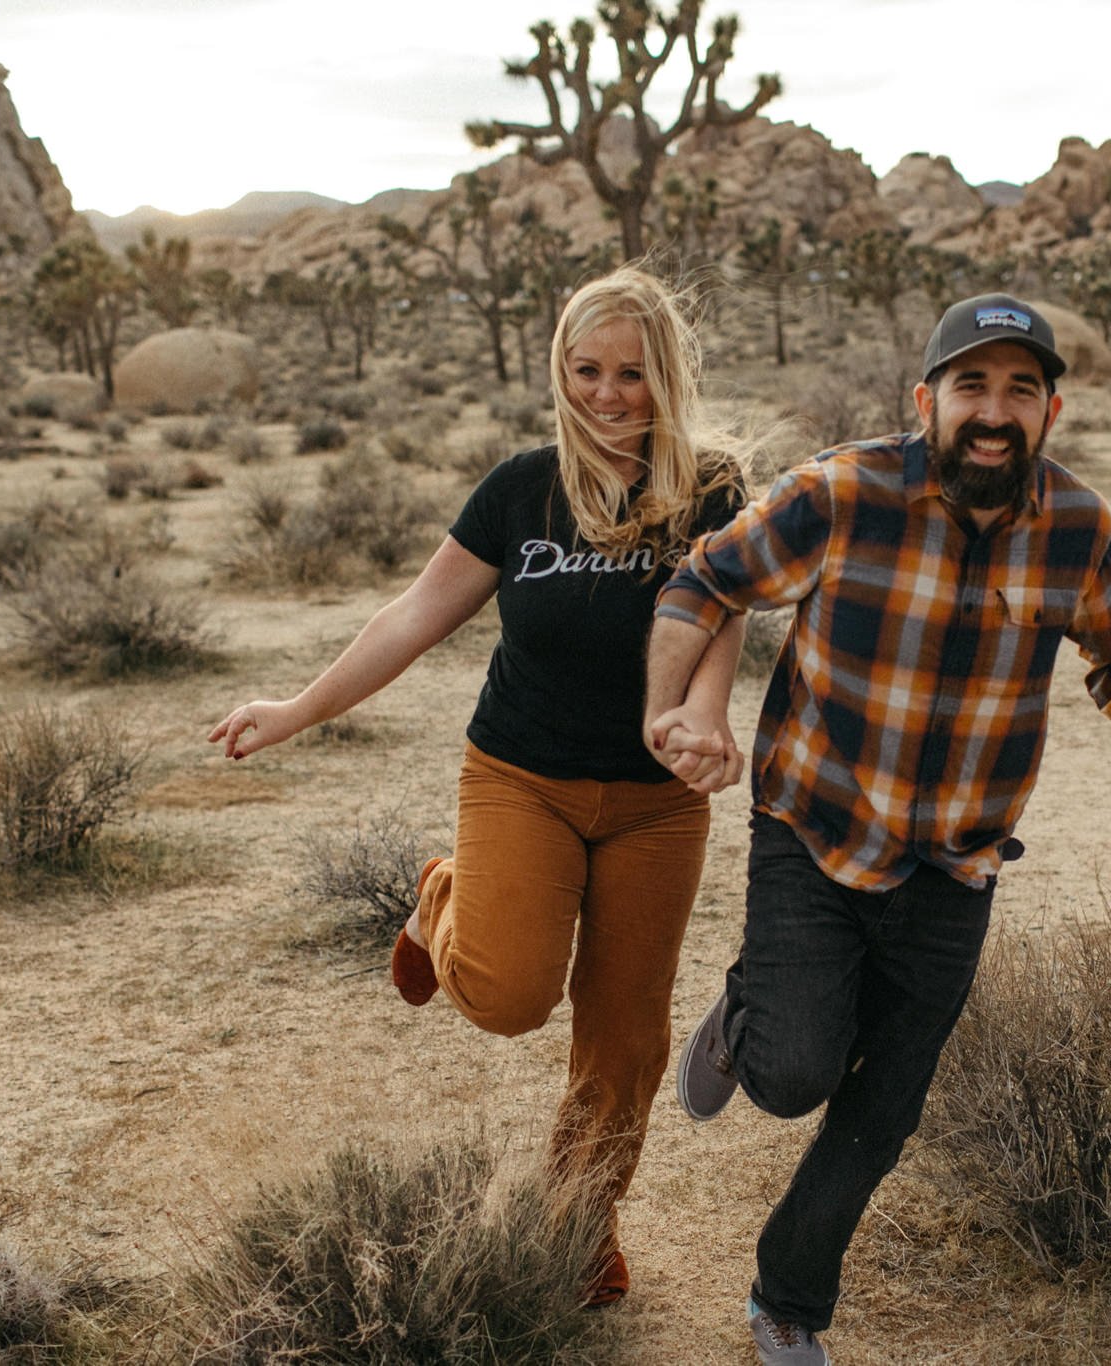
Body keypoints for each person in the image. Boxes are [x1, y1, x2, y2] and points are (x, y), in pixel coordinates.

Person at [641, 293, 1111, 1362]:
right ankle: (751, 1011)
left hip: (955, 861)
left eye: (1019, 390)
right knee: (795, 1074)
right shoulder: (842, 494)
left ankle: (787, 1301)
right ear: (925, 401)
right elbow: (704, 580)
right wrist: (675, 712)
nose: (994, 412)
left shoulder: (1078, 528)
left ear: (1051, 411)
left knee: (884, 1108)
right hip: (816, 828)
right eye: (971, 386)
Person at [208, 266, 748, 1307]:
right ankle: (440, 897)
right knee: (508, 996)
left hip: (655, 800)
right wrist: (298, 708)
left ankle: (580, 1219)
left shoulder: (710, 489)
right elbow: (413, 615)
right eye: (585, 370)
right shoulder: (518, 490)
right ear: (559, 371)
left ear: (667, 374)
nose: (606, 394)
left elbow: (722, 615)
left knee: (625, 1033)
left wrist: (708, 715)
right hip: (521, 779)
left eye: (631, 372)